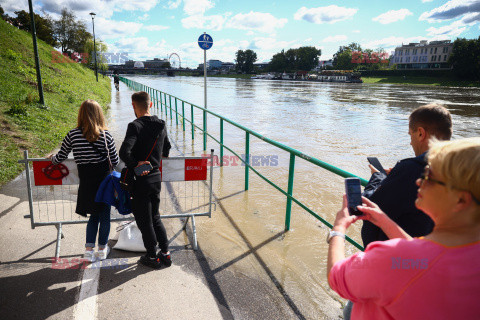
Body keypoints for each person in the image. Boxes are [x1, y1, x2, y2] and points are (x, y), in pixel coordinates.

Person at [327, 137, 480, 319]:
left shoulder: (394, 258)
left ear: (460, 200)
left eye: (429, 177)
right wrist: (386, 222)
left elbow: (336, 277)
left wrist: (338, 229)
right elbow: (427, 261)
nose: (418, 182)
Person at [361, 104, 452, 247]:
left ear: (421, 133)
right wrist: (394, 178)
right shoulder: (460, 168)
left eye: (411, 135)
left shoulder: (411, 169)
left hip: (398, 258)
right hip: (437, 257)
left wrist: (377, 177)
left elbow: (369, 208)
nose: (410, 142)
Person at [48, 100, 119, 262]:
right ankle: (102, 249)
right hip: (104, 182)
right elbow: (114, 160)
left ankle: (88, 251)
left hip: (86, 182)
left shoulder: (73, 135)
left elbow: (61, 156)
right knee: (105, 216)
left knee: (93, 216)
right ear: (99, 114)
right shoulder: (106, 135)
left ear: (81, 114)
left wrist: (52, 159)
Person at [119, 91, 172, 269]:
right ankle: (165, 253)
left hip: (141, 180)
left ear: (134, 106)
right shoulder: (161, 125)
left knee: (144, 221)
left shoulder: (135, 126)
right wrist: (154, 160)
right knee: (155, 217)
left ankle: (151, 257)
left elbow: (124, 152)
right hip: (156, 178)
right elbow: (167, 148)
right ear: (150, 105)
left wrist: (137, 164)